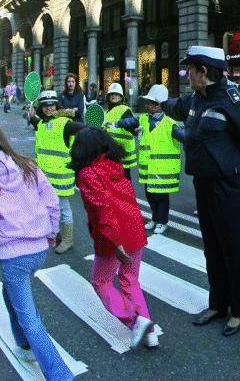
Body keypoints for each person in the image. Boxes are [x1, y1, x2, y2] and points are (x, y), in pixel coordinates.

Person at [162, 46, 240, 336]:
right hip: (205, 184)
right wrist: (154, 101)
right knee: (212, 248)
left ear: (204, 72)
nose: (186, 75)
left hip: (230, 187)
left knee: (234, 250)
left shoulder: (231, 101)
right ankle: (218, 304)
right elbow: (175, 106)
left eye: (190, 70)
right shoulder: (196, 100)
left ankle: (238, 311)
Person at [0, 121, 74, 380]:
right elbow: (52, 201)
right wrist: (50, 233)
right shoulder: (27, 166)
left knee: (30, 318)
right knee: (9, 289)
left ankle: (60, 375)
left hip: (13, 255)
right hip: (39, 248)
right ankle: (23, 343)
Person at [69, 127, 159, 349]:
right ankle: (150, 332)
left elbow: (103, 210)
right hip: (135, 229)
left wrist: (114, 241)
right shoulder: (114, 165)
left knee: (101, 282)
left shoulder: (87, 174)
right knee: (130, 279)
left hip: (113, 237)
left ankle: (135, 320)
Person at [27, 90, 85, 254]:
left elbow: (84, 128)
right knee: (50, 207)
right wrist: (31, 116)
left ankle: (67, 239)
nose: (49, 108)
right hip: (46, 177)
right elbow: (36, 122)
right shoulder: (43, 124)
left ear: (57, 105)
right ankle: (58, 234)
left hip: (61, 177)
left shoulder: (65, 124)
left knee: (64, 208)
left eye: (52, 104)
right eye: (45, 105)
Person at [137, 85, 185, 235]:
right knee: (150, 195)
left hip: (163, 170)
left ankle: (162, 221)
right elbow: (131, 124)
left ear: (159, 105)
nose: (147, 105)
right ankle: (154, 218)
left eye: (150, 103)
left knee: (161, 197)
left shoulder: (171, 124)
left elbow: (186, 138)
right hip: (148, 168)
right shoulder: (144, 119)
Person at [102, 82, 138, 179]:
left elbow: (131, 125)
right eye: (112, 94)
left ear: (121, 97)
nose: (114, 96)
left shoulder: (124, 109)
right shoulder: (108, 112)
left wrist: (134, 129)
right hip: (111, 152)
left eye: (116, 94)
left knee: (124, 181)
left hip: (122, 152)